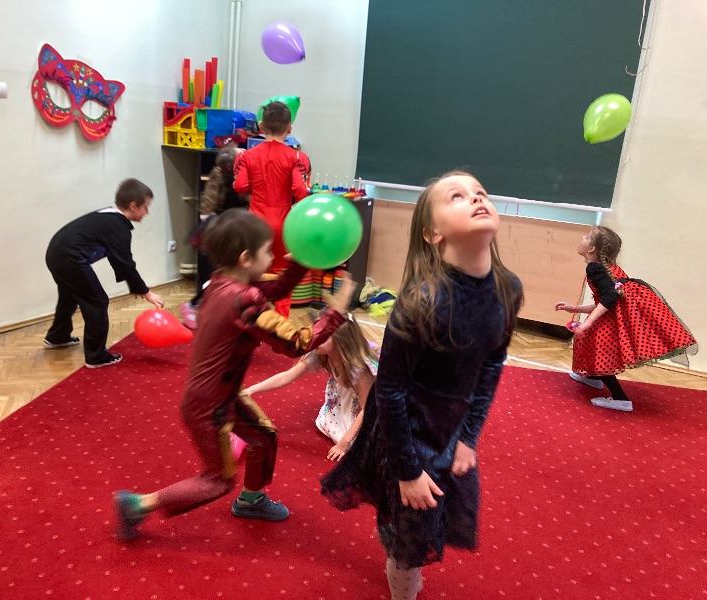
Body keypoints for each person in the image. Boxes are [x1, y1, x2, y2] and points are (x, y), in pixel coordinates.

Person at [320, 171, 523, 600]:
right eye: (457, 196)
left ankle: (398, 540)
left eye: (480, 192)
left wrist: (468, 436)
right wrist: (407, 470)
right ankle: (403, 582)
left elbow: (491, 365)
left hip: (451, 425)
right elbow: (389, 391)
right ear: (432, 233)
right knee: (410, 537)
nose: (476, 198)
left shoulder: (507, 289)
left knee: (437, 516)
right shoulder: (420, 302)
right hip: (407, 430)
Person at [113, 209, 355, 541]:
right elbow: (296, 343)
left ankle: (250, 500)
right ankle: (136, 505)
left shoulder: (222, 281)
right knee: (217, 481)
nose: (272, 258)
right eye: (267, 251)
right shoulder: (243, 299)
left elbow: (275, 287)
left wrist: (301, 262)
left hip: (217, 394)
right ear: (245, 258)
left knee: (263, 437)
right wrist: (336, 312)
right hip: (208, 405)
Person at [555, 226, 697, 412]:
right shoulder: (607, 268)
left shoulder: (594, 269)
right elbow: (605, 300)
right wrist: (574, 308)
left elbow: (610, 297)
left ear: (591, 248)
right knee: (590, 343)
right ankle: (592, 378)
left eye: (587, 237)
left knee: (600, 352)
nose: (583, 237)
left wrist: (587, 323)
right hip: (614, 315)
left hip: (612, 318)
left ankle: (620, 399)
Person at [44, 178, 165, 368]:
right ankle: (96, 356)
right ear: (133, 206)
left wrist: (136, 287)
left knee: (69, 297)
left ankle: (57, 336)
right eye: (145, 207)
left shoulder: (109, 217)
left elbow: (116, 258)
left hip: (56, 254)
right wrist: (146, 292)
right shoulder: (118, 226)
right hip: (68, 258)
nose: (147, 212)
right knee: (98, 302)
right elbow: (125, 263)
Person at [245, 315, 378, 461]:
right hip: (348, 400)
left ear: (341, 341)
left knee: (362, 445)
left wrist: (343, 444)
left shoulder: (359, 370)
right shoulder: (319, 353)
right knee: (329, 425)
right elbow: (287, 376)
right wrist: (251, 390)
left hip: (370, 405)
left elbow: (368, 408)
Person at [233, 101, 311, 318]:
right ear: (289, 128)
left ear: (260, 126)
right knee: (282, 273)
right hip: (283, 222)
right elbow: (300, 191)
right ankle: (280, 321)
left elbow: (240, 186)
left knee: (251, 271)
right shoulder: (296, 157)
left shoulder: (246, 156)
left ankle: (252, 317)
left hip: (254, 222)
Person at [179, 143, 248, 330]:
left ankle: (205, 310)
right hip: (216, 238)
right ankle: (192, 306)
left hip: (216, 235)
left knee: (217, 280)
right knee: (214, 281)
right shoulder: (235, 188)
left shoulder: (221, 180)